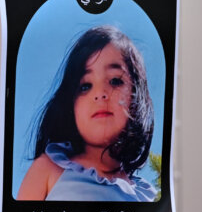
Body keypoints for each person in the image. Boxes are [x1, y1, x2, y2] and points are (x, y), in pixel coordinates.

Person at [18, 25, 157, 201]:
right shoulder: (49, 169)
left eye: (115, 81)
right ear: (71, 104)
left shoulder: (147, 195)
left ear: (136, 100)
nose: (100, 93)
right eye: (85, 86)